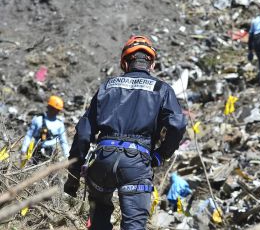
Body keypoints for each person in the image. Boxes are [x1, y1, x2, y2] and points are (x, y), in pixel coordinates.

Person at [64, 35, 187, 230]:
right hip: (136, 165)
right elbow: (178, 125)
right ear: (151, 63)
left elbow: (84, 132)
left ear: (124, 62)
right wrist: (160, 155)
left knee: (99, 217)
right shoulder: (162, 89)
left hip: (102, 160)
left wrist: (73, 174)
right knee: (134, 225)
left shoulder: (107, 86)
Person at [21, 95, 69, 162]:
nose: (54, 111)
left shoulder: (60, 124)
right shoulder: (38, 120)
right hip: (35, 150)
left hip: (51, 154)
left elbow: (63, 142)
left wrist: (67, 156)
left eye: (57, 110)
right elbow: (29, 135)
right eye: (53, 108)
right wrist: (23, 150)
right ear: (48, 107)